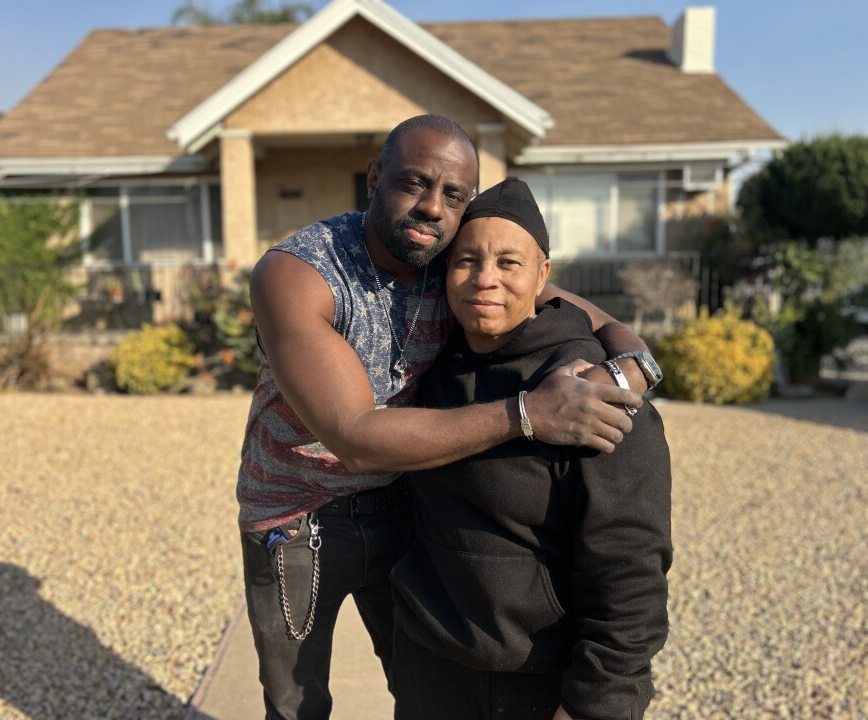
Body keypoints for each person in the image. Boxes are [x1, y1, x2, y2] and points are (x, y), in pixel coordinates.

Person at [238, 114, 655, 720]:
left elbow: (572, 306)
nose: (432, 207)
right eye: (414, 183)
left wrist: (637, 361)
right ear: (374, 177)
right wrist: (528, 413)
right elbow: (354, 438)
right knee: (297, 703)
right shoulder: (299, 272)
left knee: (416, 681)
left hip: (406, 503)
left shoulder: (455, 260)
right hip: (297, 519)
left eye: (454, 196)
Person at [389, 177, 672, 720]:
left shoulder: (589, 393)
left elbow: (630, 580)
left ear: (544, 275)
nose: (484, 279)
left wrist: (597, 706)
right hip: (430, 669)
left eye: (508, 263)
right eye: (466, 260)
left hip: (537, 683)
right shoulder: (434, 371)